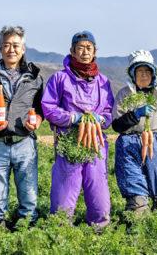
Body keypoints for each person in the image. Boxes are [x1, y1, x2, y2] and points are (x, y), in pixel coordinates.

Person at [41, 31, 114, 227]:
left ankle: (100, 227)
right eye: (80, 48)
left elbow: (108, 114)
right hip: (68, 143)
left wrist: (99, 119)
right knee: (65, 190)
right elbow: (48, 108)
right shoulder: (59, 78)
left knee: (98, 189)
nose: (84, 52)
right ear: (72, 51)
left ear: (95, 51)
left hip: (96, 143)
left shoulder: (103, 82)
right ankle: (61, 228)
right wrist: (72, 118)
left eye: (88, 48)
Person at [0, 26, 43, 226]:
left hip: (25, 142)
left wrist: (37, 120)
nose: (11, 49)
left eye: (15, 45)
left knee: (28, 188)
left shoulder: (35, 78)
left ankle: (27, 222)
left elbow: (41, 108)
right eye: (6, 45)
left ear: (23, 49)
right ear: (0, 49)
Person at [112, 50, 157, 212]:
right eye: (139, 72)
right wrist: (135, 114)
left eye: (147, 71)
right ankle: (137, 220)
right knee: (135, 193)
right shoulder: (124, 94)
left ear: (153, 74)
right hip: (129, 145)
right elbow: (117, 126)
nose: (143, 75)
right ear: (132, 75)